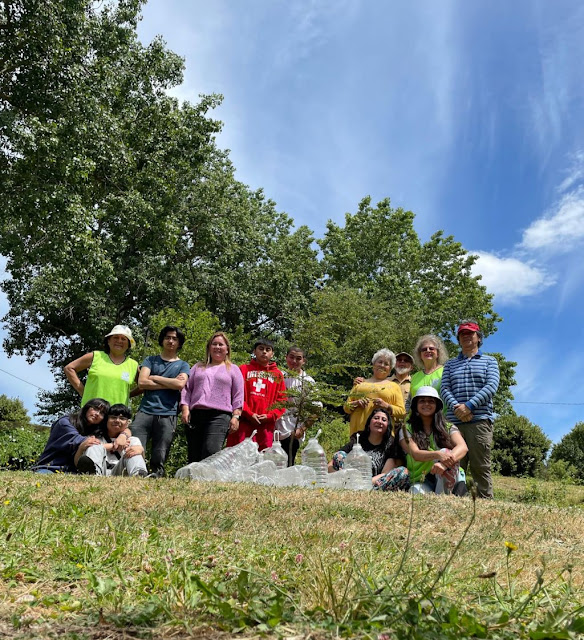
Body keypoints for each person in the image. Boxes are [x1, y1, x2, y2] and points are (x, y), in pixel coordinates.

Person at [440, 321, 500, 498]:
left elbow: (491, 386)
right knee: (453, 463)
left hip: (480, 420)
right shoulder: (450, 364)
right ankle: (453, 498)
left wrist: (469, 406)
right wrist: (457, 408)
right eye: (462, 334)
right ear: (458, 339)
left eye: (470, 333)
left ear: (478, 338)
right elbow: (444, 389)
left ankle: (485, 501)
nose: (466, 336)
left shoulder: (490, 361)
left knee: (480, 465)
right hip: (453, 421)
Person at [131, 326, 190, 477]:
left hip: (168, 413)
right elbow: (142, 383)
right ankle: (137, 473)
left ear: (179, 343)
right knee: (136, 446)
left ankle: (157, 477)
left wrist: (155, 377)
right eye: (168, 337)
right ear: (162, 340)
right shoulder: (150, 360)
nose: (171, 341)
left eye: (175, 338)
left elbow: (179, 385)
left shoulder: (183, 365)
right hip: (145, 411)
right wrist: (169, 383)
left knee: (160, 453)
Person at [180, 331, 244, 462]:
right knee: (194, 454)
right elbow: (186, 389)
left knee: (211, 451)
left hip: (219, 416)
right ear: (209, 347)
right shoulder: (198, 367)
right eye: (214, 344)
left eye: (221, 344)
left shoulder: (233, 369)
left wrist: (236, 416)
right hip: (196, 414)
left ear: (227, 349)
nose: (217, 347)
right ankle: (193, 482)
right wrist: (185, 409)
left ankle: (208, 481)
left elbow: (238, 395)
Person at [399, 386, 468, 494]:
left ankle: (446, 495)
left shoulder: (448, 426)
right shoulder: (407, 428)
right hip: (420, 478)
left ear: (437, 406)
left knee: (445, 451)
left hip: (447, 475)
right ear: (415, 405)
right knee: (416, 494)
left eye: (431, 401)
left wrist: (444, 464)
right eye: (422, 401)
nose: (426, 404)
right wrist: (437, 455)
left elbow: (463, 447)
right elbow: (415, 453)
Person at [225, 338, 286, 451]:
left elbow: (282, 401)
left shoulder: (277, 375)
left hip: (265, 427)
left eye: (268, 349)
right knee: (237, 457)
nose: (264, 352)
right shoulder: (243, 369)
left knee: (261, 460)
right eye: (261, 349)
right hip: (244, 423)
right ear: (254, 351)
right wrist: (249, 413)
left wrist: (269, 416)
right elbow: (235, 394)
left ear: (272, 354)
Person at [329, 408, 410, 491]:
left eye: (384, 420)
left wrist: (363, 484)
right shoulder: (358, 438)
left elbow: (385, 474)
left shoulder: (391, 445)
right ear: (369, 423)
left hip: (374, 484)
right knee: (339, 455)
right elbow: (331, 463)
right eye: (376, 418)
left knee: (403, 472)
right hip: (351, 480)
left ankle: (361, 489)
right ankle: (347, 485)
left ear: (388, 425)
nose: (379, 421)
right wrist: (338, 476)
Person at [64, 325, 139, 407]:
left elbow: (143, 385)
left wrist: (128, 395)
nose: (119, 341)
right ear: (108, 341)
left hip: (116, 415)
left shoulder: (133, 365)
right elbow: (69, 368)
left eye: (123, 339)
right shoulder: (95, 356)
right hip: (92, 412)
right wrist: (82, 391)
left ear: (129, 344)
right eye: (116, 337)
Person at [31, 398, 111, 473]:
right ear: (87, 408)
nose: (97, 414)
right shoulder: (64, 422)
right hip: (50, 468)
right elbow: (80, 440)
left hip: (74, 473)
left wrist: (123, 435)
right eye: (95, 408)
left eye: (102, 413)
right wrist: (114, 445)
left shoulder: (95, 432)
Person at [275, 346, 322, 466]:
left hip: (292, 432)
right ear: (286, 358)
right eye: (291, 357)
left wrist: (301, 429)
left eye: (298, 358)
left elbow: (317, 409)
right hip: (273, 430)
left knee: (287, 464)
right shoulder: (278, 376)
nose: (294, 361)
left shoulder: (308, 381)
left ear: (304, 361)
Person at [344, 349, 406, 436]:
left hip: (383, 436)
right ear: (373, 364)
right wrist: (357, 403)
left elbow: (402, 412)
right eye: (380, 362)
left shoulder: (394, 387)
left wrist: (387, 406)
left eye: (386, 364)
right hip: (358, 434)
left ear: (390, 369)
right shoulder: (359, 383)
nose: (382, 365)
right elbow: (346, 408)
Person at [75, 404, 148, 476]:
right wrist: (81, 448)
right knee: (93, 446)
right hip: (101, 471)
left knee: (134, 451)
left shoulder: (132, 440)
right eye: (113, 417)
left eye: (122, 418)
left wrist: (141, 451)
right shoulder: (95, 438)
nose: (117, 420)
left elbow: (139, 458)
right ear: (107, 420)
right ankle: (92, 475)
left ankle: (139, 475)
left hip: (121, 471)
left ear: (128, 423)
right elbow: (77, 463)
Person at [405, 334, 448, 411]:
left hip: (441, 420)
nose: (428, 350)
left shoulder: (446, 371)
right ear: (420, 355)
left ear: (438, 353)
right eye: (424, 349)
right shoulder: (414, 377)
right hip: (417, 421)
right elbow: (409, 402)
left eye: (431, 348)